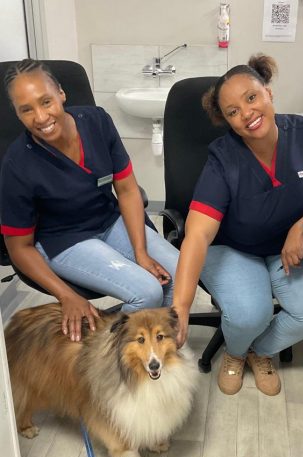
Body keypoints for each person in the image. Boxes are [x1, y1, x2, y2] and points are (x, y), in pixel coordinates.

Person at [173, 54, 303, 396]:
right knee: (251, 312)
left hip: (287, 245)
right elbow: (198, 234)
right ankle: (234, 353)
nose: (247, 113)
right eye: (233, 112)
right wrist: (181, 306)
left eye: (251, 98)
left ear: (268, 93)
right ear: (227, 121)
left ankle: (258, 350)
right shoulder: (224, 158)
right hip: (234, 248)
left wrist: (302, 225)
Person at [0, 59, 179, 342]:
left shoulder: (96, 121)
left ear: (61, 93)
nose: (41, 117)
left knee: (178, 272)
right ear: (18, 114)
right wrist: (66, 295)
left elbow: (128, 190)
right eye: (27, 110)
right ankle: (110, 360)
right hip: (64, 240)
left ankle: (156, 351)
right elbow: (18, 248)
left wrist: (141, 252)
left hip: (109, 221)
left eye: (46, 101)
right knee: (147, 292)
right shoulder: (17, 164)